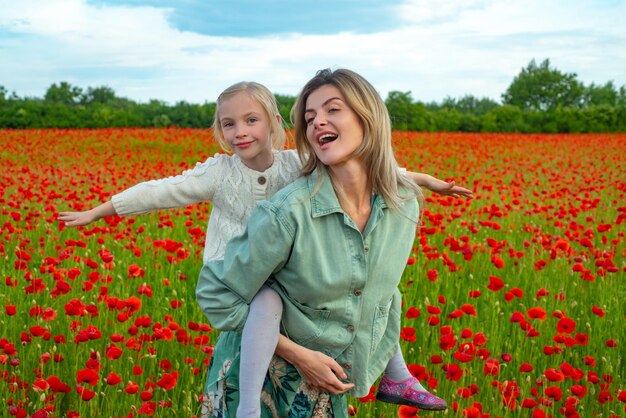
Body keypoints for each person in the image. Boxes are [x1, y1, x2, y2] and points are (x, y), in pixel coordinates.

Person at [59, 79, 469, 417]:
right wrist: (101, 210)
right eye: (229, 124)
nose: (241, 132)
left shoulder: (298, 165)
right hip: (240, 279)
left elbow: (381, 166)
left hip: (301, 318)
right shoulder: (228, 177)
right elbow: (163, 192)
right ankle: (249, 407)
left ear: (274, 124)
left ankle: (398, 375)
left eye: (251, 120)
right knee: (267, 301)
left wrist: (428, 181)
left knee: (378, 290)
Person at [196, 68, 453, 418]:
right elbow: (216, 292)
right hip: (259, 378)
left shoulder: (402, 204)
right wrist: (299, 355)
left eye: (333, 110)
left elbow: (381, 296)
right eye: (310, 116)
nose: (318, 122)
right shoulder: (288, 213)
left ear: (368, 118)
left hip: (328, 386)